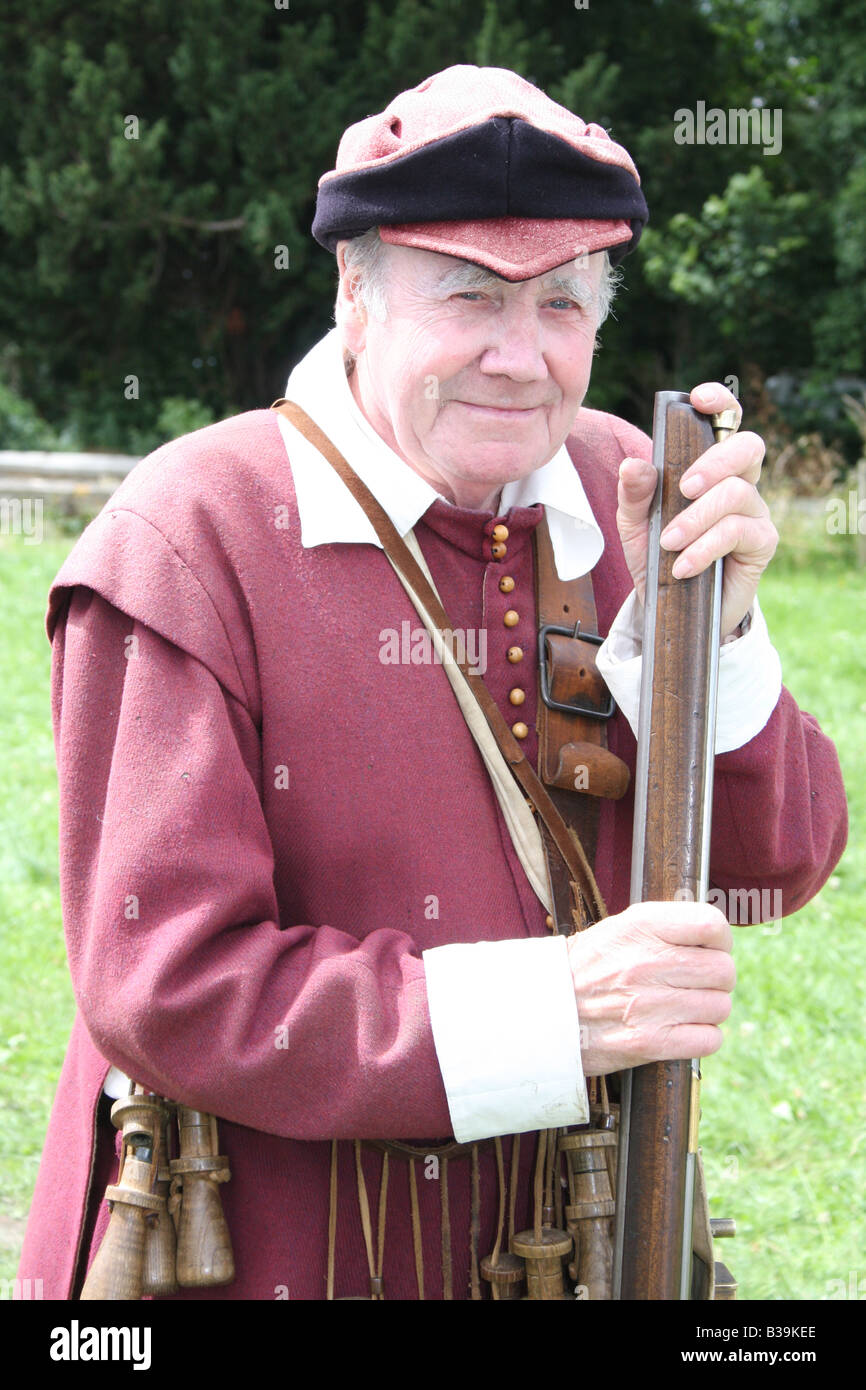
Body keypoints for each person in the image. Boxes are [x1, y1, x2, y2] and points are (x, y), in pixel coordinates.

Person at [19, 65, 846, 1301]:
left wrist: (717, 637)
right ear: (356, 293)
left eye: (561, 305)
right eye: (469, 296)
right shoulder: (189, 536)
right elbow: (167, 983)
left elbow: (771, 867)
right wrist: (555, 1012)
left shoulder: (630, 487)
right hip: (267, 1252)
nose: (519, 359)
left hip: (575, 1236)